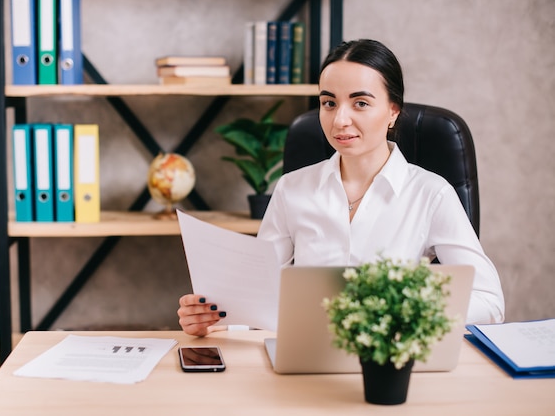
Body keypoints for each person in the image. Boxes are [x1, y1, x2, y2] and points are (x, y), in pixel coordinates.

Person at [178, 39, 505, 337]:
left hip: (387, 358)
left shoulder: (431, 194)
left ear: (393, 111)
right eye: (329, 103)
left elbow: (490, 303)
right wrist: (213, 316)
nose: (339, 121)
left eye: (360, 103)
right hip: (304, 353)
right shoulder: (292, 189)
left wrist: (404, 313)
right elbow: (257, 295)